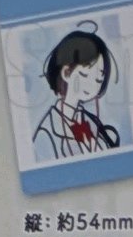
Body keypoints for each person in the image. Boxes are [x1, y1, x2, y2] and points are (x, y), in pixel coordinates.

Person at [34, 28, 121, 163]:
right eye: (84, 75)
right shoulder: (45, 133)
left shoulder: (93, 122)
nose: (92, 85)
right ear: (66, 73)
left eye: (98, 79)